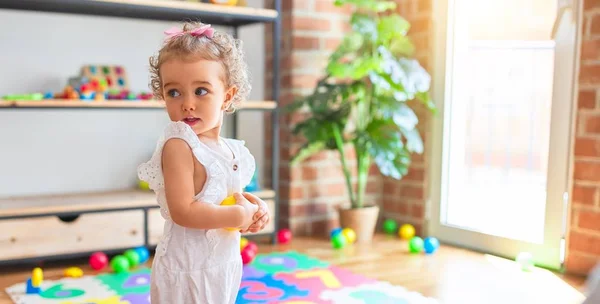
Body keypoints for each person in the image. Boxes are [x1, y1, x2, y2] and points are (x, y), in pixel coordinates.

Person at [137, 21, 270, 304]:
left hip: (221, 264)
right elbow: (184, 211)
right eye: (174, 92)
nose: (187, 103)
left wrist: (255, 208)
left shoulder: (230, 150)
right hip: (187, 271)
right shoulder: (179, 146)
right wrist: (237, 216)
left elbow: (229, 195)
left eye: (200, 91)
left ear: (227, 96)